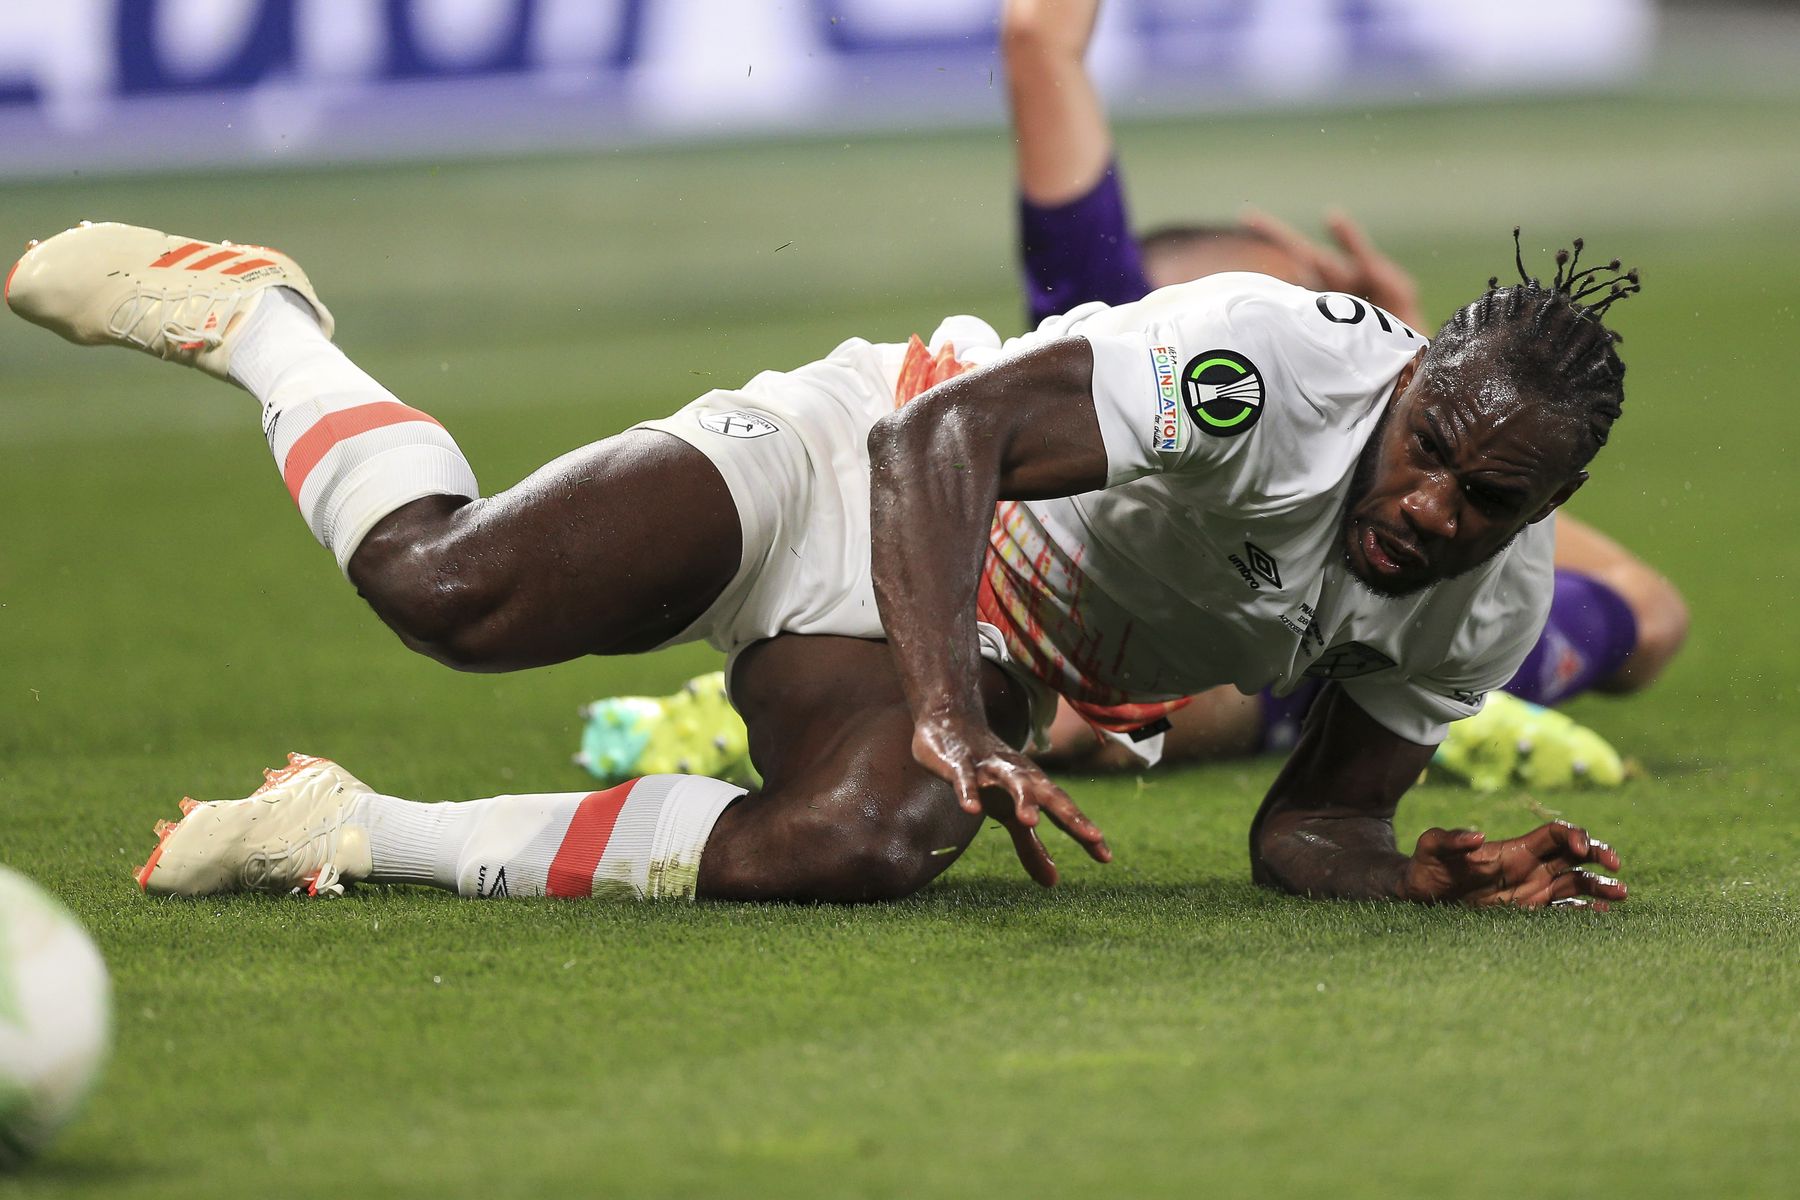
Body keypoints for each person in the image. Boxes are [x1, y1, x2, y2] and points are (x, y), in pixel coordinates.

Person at [6, 217, 1632, 908]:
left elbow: (1315, 825)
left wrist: (1411, 876)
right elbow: (939, 445)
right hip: (856, 451)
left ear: (1548, 503)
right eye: (1429, 446)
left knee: (861, 842)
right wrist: (950, 713)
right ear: (1408, 380)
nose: (1435, 506)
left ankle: (354, 827)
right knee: (445, 593)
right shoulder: (1263, 364)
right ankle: (266, 324)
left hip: (969, 633)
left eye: (1489, 497)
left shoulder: (1483, 605)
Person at [580, 0, 1688, 789]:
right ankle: (854, 695)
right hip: (1101, 635)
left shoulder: (1398, 460)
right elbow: (1038, 38)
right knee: (1096, 681)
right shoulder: (1111, 323)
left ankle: (1454, 716)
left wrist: (1431, 411)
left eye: (1331, 327)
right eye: (1291, 314)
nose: (1310, 344)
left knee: (1622, 627)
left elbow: (1638, 599)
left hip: (1342, 649)